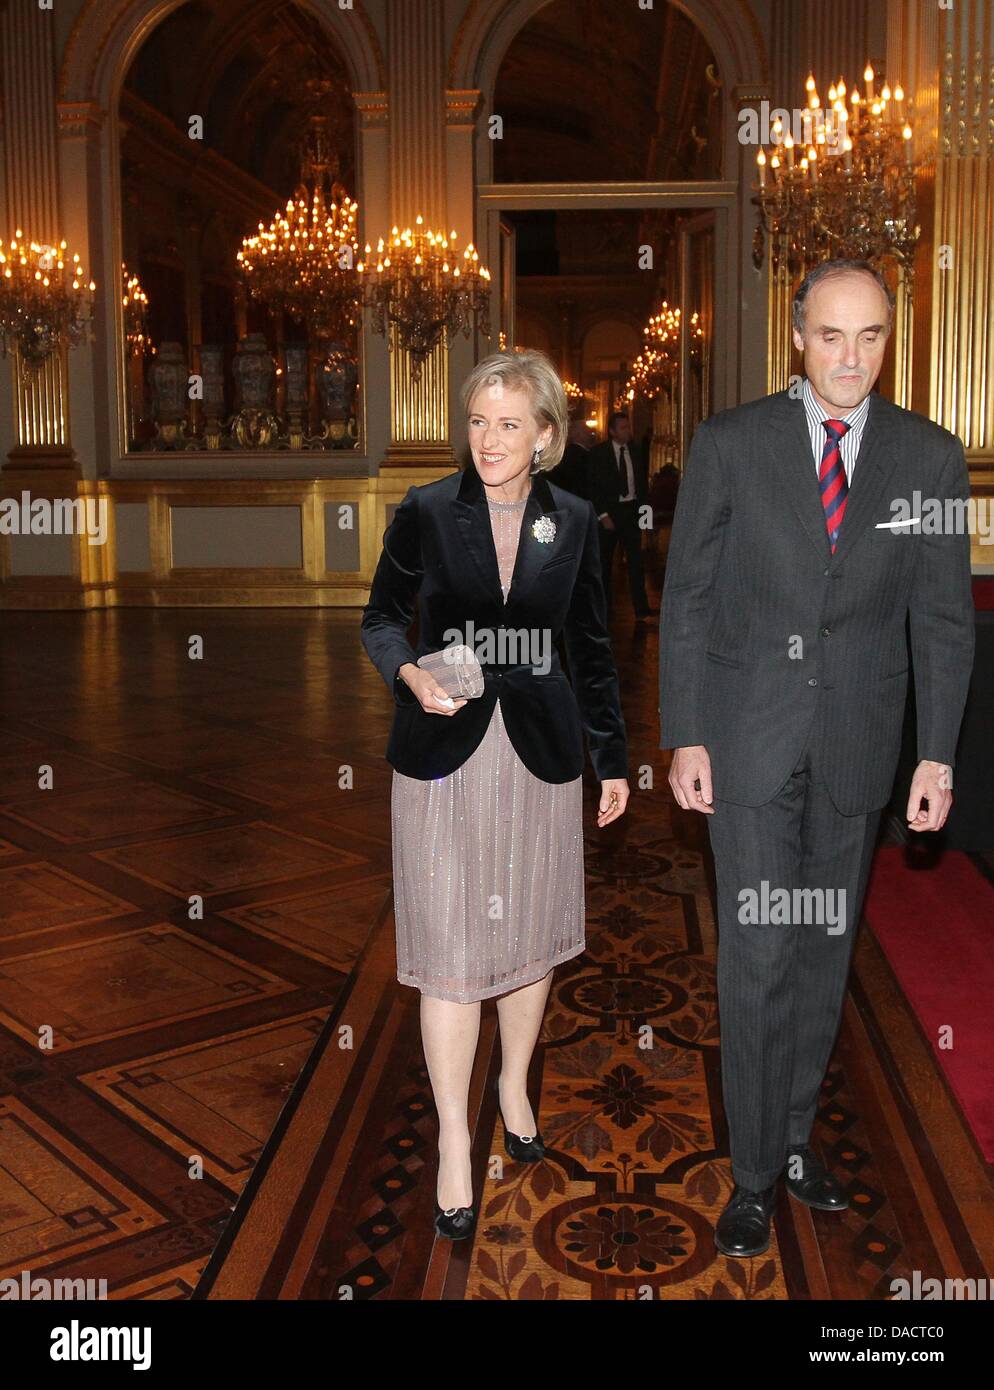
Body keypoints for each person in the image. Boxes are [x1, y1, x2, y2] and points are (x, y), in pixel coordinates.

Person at [659, 258, 974, 1259]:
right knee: (756, 955)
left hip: (856, 747)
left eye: (869, 336)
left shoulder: (928, 457)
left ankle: (793, 1136)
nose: (849, 357)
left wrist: (935, 757)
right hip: (746, 741)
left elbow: (942, 616)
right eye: (830, 335)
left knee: (822, 952)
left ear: (891, 339)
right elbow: (688, 599)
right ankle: (752, 1173)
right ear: (797, 336)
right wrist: (684, 731)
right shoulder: (730, 443)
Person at [361, 348, 630, 1241]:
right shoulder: (429, 511)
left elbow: (592, 648)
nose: (488, 439)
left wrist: (615, 760)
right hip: (444, 746)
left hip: (541, 752)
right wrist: (407, 676)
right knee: (446, 945)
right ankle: (450, 1138)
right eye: (478, 420)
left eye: (509, 423)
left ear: (546, 435)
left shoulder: (578, 520)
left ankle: (514, 1083)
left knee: (524, 933)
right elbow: (379, 620)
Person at [588, 411, 657, 620]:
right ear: (612, 431)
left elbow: (642, 487)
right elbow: (593, 488)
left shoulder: (635, 452)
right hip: (609, 513)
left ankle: (641, 608)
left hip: (631, 512)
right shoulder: (599, 454)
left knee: (636, 563)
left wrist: (647, 517)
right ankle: (604, 609)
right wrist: (603, 515)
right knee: (605, 565)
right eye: (623, 428)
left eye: (628, 427)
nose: (628, 431)